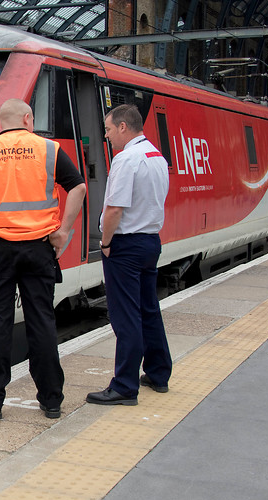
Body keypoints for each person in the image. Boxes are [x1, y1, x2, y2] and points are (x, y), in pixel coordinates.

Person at [0, 98, 87, 420]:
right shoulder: (48, 150)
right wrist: (63, 231)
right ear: (27, 118)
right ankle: (51, 400)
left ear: (2, 122)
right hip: (39, 248)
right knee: (41, 321)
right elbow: (79, 187)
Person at [86, 103, 172, 406]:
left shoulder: (126, 159)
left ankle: (124, 386)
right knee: (148, 309)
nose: (107, 136)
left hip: (126, 246)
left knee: (125, 317)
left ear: (124, 127)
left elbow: (115, 209)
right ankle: (159, 373)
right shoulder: (156, 157)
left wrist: (106, 243)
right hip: (150, 242)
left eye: (109, 129)